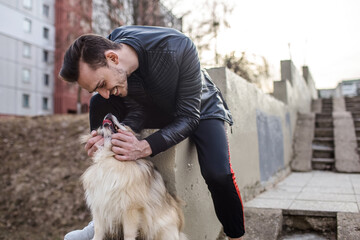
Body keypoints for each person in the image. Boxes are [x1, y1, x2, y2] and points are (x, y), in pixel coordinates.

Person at [60, 26, 244, 240]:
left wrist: (143, 147)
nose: (104, 92)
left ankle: (236, 236)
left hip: (198, 108)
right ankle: (104, 217)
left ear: (112, 58)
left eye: (102, 84)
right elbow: (134, 105)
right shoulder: (111, 48)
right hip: (151, 107)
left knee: (218, 174)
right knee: (99, 103)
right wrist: (104, 139)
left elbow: (189, 117)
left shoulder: (179, 47)